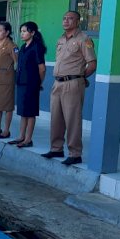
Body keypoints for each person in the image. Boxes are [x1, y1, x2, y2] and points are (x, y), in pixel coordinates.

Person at [41, 10, 97, 166]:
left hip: (73, 83)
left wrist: (80, 77)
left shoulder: (84, 39)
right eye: (64, 18)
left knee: (72, 119)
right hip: (57, 83)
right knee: (56, 118)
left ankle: (75, 153)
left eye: (70, 19)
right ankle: (56, 148)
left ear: (78, 21)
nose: (66, 21)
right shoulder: (61, 39)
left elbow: (92, 64)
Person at [9, 21, 46, 148]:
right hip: (21, 83)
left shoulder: (37, 47)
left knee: (30, 112)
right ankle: (21, 136)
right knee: (23, 111)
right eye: (21, 31)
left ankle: (28, 139)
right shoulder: (23, 47)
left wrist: (38, 82)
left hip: (31, 84)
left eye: (25, 31)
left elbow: (42, 68)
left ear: (33, 33)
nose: (22, 34)